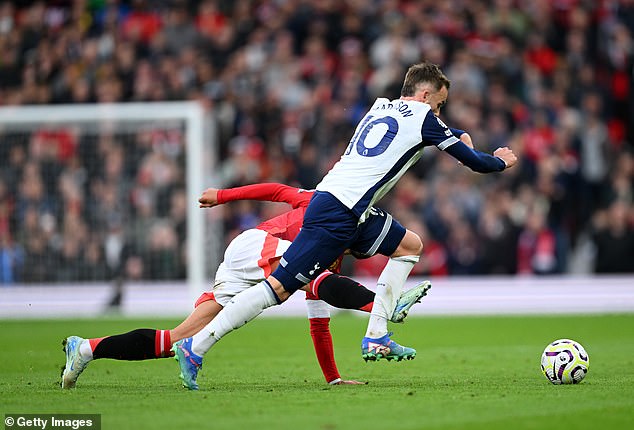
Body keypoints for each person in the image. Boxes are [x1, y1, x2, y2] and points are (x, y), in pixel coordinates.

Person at [173, 61, 517, 387]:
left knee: (409, 246)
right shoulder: (426, 118)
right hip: (336, 212)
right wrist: (500, 161)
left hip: (351, 209)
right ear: (426, 96)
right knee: (277, 290)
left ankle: (376, 335)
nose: (439, 113)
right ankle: (196, 347)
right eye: (439, 105)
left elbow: (427, 130)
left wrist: (457, 133)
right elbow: (476, 163)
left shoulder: (380, 106)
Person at [61, 183, 431, 389]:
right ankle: (386, 308)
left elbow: (319, 321)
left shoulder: (329, 263)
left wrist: (333, 379)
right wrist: (221, 196)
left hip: (244, 269)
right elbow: (274, 190)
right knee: (315, 280)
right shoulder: (323, 202)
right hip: (254, 245)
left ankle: (87, 349)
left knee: (172, 341)